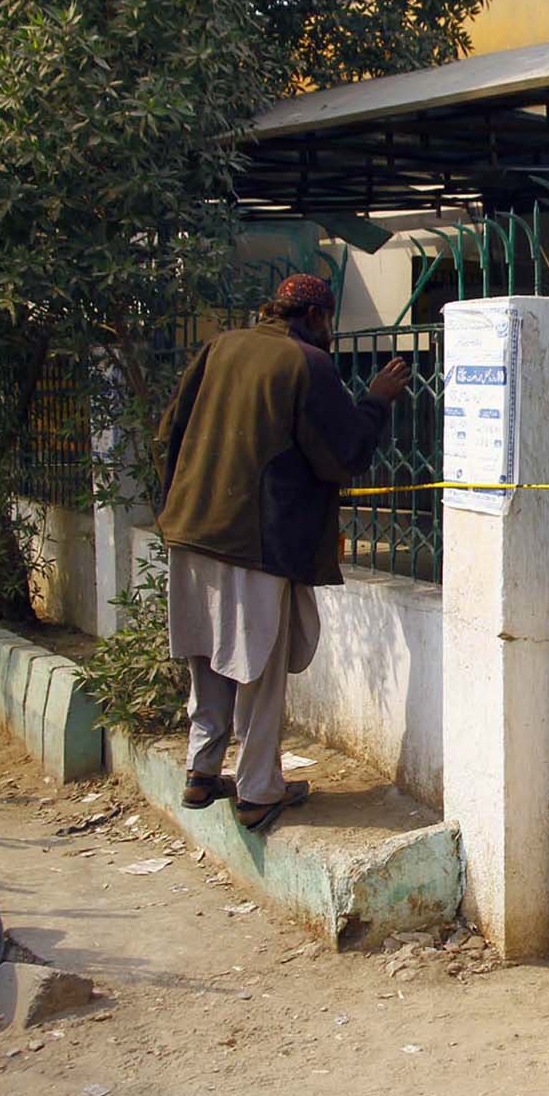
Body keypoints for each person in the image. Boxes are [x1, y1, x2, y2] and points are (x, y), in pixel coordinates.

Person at [153, 274, 409, 831]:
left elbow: (169, 431)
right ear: (317, 317)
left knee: (209, 658)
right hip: (255, 540)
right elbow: (342, 456)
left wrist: (172, 509)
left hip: (191, 528)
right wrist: (376, 402)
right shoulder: (307, 364)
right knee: (260, 668)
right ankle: (258, 790)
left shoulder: (219, 347)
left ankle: (201, 771)